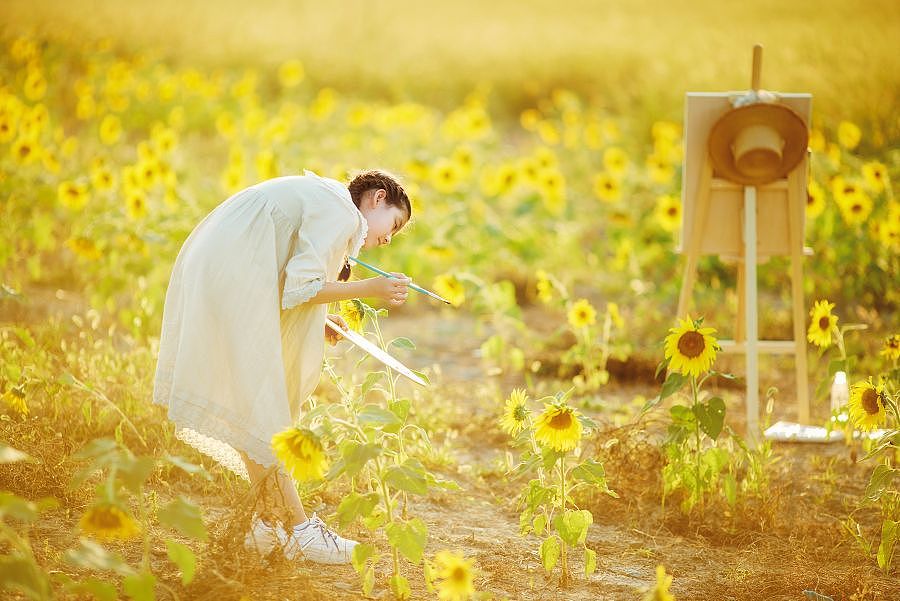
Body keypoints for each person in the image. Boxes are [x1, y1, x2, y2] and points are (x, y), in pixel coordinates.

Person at [152, 169, 412, 564]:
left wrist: (324, 318)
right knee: (261, 402)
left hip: (220, 264)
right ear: (377, 198)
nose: (388, 239)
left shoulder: (328, 201)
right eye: (394, 224)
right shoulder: (343, 212)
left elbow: (284, 274)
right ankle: (303, 532)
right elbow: (300, 287)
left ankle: (267, 525)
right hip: (230, 270)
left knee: (251, 402)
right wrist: (371, 288)